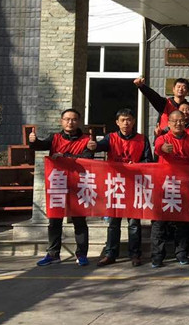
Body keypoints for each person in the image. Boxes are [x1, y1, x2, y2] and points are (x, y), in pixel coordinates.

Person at [88, 108, 152, 267]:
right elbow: (99, 146)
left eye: (129, 119)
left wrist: (136, 165)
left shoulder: (142, 139)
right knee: (113, 222)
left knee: (134, 223)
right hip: (115, 185)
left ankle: (135, 254)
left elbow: (148, 161)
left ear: (134, 121)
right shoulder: (111, 138)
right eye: (123, 120)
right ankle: (110, 254)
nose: (126, 123)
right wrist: (93, 146)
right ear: (117, 122)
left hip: (134, 185)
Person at [32, 109, 94, 267]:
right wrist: (33, 141)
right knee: (54, 220)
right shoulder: (55, 138)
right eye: (67, 119)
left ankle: (82, 254)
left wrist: (65, 157)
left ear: (78, 121)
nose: (70, 122)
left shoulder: (86, 140)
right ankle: (53, 254)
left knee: (79, 220)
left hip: (78, 184)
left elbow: (87, 158)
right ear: (61, 121)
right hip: (57, 183)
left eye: (73, 119)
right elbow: (39, 146)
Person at [151, 110, 189, 267]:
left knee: (182, 223)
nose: (178, 123)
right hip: (164, 187)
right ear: (169, 123)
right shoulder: (163, 138)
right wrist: (163, 148)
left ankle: (181, 253)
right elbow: (158, 148)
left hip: (184, 187)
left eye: (181, 120)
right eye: (175, 121)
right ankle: (157, 256)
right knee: (159, 223)